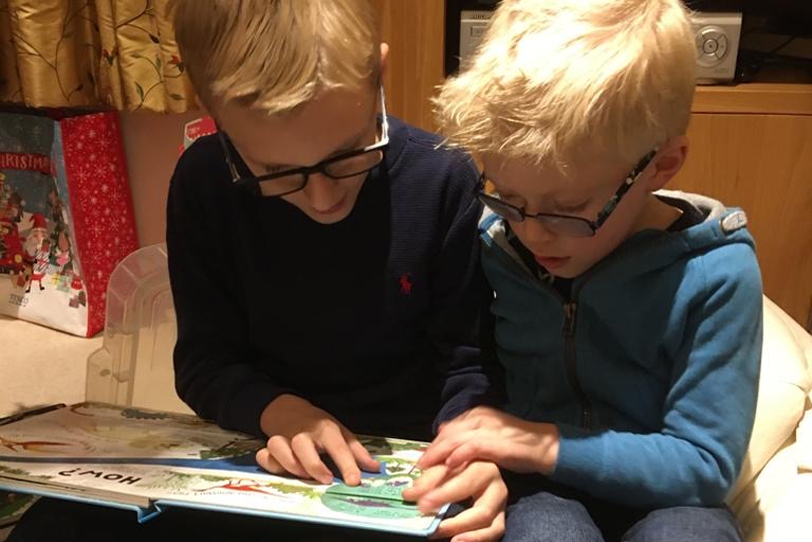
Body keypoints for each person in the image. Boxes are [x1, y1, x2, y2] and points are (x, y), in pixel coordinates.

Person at [9, 1, 505, 541]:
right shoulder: (203, 183)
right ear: (214, 115)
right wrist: (280, 412)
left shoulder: (443, 178)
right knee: (55, 526)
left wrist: (465, 447)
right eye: (277, 171)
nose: (323, 198)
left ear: (377, 76)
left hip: (398, 466)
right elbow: (205, 361)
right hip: (260, 451)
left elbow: (469, 364)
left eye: (347, 154)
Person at [405, 1, 764, 541]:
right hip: (539, 488)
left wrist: (539, 441)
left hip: (670, 495)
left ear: (662, 165)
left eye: (567, 208)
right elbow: (462, 364)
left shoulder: (718, 273)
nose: (531, 232)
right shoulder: (494, 245)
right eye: (509, 198)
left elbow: (704, 468)